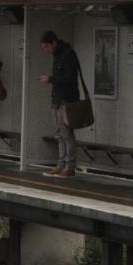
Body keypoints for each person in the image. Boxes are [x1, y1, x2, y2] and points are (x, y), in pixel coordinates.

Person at [39, 30, 80, 178]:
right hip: (57, 100)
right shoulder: (57, 56)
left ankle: (69, 166)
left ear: (54, 43)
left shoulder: (68, 55)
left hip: (67, 100)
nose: (46, 50)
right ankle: (61, 164)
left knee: (67, 134)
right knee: (60, 134)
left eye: (47, 47)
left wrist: (51, 79)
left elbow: (69, 78)